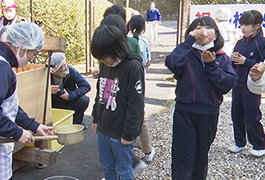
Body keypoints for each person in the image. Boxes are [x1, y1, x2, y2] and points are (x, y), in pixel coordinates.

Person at [165, 16, 237, 179]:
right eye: (197, 28)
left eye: (206, 27)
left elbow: (227, 84)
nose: (202, 31)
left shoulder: (222, 58)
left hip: (208, 113)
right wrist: (188, 42)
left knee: (201, 156)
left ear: (216, 35)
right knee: (182, 156)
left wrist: (211, 66)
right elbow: (171, 63)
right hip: (184, 111)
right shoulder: (186, 54)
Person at [0, 22, 54, 180]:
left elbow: (9, 106)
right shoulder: (2, 68)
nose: (31, 59)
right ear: (22, 45)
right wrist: (16, 132)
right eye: (33, 53)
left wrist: (34, 126)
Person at [90, 24, 145, 180]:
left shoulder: (132, 66)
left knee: (123, 169)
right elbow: (101, 93)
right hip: (103, 129)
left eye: (104, 56)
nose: (102, 60)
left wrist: (129, 133)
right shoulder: (106, 65)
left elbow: (136, 105)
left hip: (121, 132)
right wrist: (96, 118)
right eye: (100, 57)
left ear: (117, 48)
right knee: (107, 167)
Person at [228, 10, 265, 157]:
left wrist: (246, 62)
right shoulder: (241, 41)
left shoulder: (261, 42)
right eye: (242, 24)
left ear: (257, 26)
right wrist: (232, 58)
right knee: (236, 114)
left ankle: (259, 145)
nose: (243, 28)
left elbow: (262, 63)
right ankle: (240, 142)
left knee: (252, 115)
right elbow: (234, 61)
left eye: (247, 25)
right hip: (238, 83)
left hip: (252, 85)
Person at [129, 15, 155, 162]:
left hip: (124, 81)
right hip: (139, 80)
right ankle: (147, 149)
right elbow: (146, 61)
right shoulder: (144, 42)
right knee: (140, 114)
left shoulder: (124, 40)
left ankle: (131, 142)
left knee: (128, 113)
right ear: (143, 27)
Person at [50, 52, 91, 129]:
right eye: (62, 67)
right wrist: (48, 90)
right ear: (54, 70)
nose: (66, 68)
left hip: (69, 100)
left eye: (66, 64)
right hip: (54, 103)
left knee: (84, 100)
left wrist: (69, 96)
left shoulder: (71, 70)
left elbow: (86, 86)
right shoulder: (46, 75)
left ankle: (77, 124)